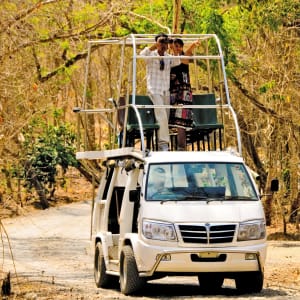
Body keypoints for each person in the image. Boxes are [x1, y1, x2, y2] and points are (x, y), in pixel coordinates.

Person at [140, 34, 181, 151]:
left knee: (164, 118)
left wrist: (173, 47)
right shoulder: (150, 55)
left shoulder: (168, 57)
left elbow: (177, 62)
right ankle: (164, 145)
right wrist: (155, 45)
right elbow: (141, 55)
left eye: (165, 43)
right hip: (154, 89)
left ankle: (158, 143)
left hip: (165, 91)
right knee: (161, 115)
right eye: (161, 42)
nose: (163, 45)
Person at [169, 38, 200, 150]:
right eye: (174, 46)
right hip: (172, 92)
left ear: (181, 47)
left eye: (178, 46)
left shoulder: (183, 58)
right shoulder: (170, 59)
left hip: (183, 92)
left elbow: (188, 53)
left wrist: (192, 45)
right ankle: (174, 146)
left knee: (181, 120)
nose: (176, 48)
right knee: (174, 120)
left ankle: (181, 146)